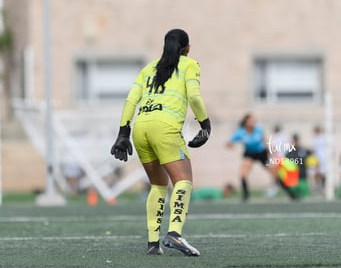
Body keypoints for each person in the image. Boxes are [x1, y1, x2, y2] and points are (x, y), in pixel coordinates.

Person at [111, 29, 210, 256]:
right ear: (187, 48)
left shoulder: (147, 69)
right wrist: (205, 124)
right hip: (164, 128)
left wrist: (123, 133)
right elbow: (194, 97)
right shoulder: (189, 64)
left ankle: (153, 244)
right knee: (183, 181)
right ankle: (174, 234)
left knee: (158, 185)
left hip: (140, 129)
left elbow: (131, 100)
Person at [226, 114, 297, 201]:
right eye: (250, 120)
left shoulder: (258, 129)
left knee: (275, 175)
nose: (253, 122)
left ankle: (291, 194)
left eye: (253, 120)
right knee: (243, 173)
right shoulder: (240, 132)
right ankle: (245, 196)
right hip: (249, 154)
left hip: (261, 153)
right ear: (245, 122)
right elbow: (230, 143)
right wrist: (230, 145)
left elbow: (265, 140)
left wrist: (272, 149)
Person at [312, 126, 328, 193]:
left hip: (322, 158)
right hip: (319, 158)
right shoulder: (318, 139)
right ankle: (319, 187)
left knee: (321, 173)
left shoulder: (321, 138)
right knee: (318, 173)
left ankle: (322, 187)